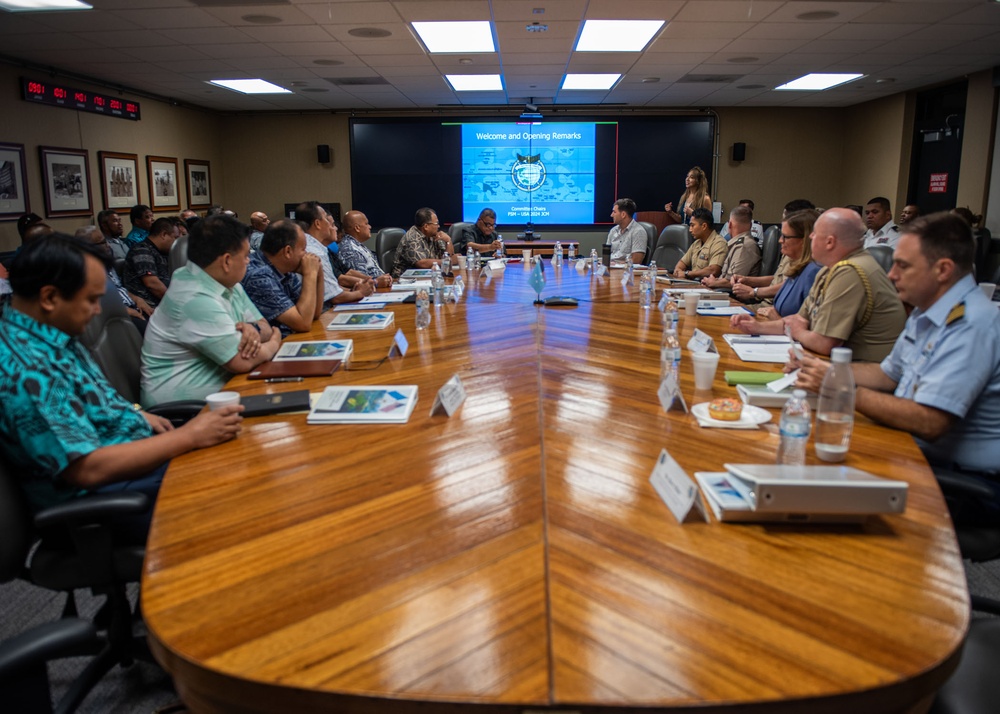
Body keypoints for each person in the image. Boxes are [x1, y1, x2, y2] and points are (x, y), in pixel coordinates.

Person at [0, 234, 242, 543]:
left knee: (237, 460)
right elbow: (86, 468)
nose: (97, 311)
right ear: (49, 297)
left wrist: (136, 414)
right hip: (101, 504)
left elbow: (89, 400)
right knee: (240, 498)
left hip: (129, 467)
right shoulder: (27, 369)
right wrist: (190, 435)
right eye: (90, 300)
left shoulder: (45, 333)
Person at [793, 212, 999, 485]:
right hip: (910, 450)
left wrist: (838, 385)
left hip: (954, 480)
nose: (891, 274)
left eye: (903, 265)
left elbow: (930, 422)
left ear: (943, 270)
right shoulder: (927, 311)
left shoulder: (971, 325)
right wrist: (824, 370)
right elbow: (887, 375)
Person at [730, 207, 906, 361]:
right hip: (834, 363)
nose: (810, 237)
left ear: (830, 241)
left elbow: (824, 342)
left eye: (815, 234)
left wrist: (796, 331)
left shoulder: (850, 271)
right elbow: (798, 320)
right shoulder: (828, 269)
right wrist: (757, 326)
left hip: (862, 372)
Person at [140, 215, 281, 406]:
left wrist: (253, 330)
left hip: (228, 393)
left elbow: (263, 325)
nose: (249, 261)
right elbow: (242, 361)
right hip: (185, 413)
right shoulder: (193, 297)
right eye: (246, 255)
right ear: (227, 261)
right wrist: (274, 342)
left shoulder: (227, 282)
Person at [241, 218, 323, 335]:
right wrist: (310, 274)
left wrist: (318, 273)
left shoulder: (285, 270)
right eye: (303, 249)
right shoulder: (259, 276)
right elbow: (303, 323)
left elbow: (313, 313)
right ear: (288, 251)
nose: (307, 254)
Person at [732, 208, 821, 315]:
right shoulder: (797, 263)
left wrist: (754, 292)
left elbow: (799, 322)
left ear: (804, 240)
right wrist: (747, 280)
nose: (780, 240)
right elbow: (779, 280)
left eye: (786, 237)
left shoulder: (812, 270)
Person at [294, 201, 375, 307]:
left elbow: (331, 289)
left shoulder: (317, 248)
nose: (335, 227)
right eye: (327, 220)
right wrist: (360, 292)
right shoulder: (315, 252)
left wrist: (353, 290)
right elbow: (334, 297)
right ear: (318, 224)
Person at [74, 225, 151, 333]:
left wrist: (138, 299)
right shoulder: (81, 271)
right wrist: (125, 311)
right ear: (87, 247)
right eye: (102, 242)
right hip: (115, 315)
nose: (108, 245)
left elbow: (119, 288)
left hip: (131, 306)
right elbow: (94, 303)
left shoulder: (106, 263)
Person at [122, 217, 178, 308]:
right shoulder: (141, 250)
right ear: (163, 234)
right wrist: (177, 304)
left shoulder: (163, 251)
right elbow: (152, 284)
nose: (176, 242)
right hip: (147, 306)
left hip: (163, 304)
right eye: (174, 238)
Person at [701, 205, 761, 289]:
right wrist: (715, 280)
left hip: (735, 297)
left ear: (729, 225)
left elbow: (732, 281)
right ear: (751, 225)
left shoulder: (744, 246)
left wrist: (712, 282)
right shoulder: (739, 244)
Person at [391, 207, 456, 280]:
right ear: (426, 226)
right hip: (403, 281)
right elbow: (422, 263)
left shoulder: (434, 235)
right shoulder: (411, 238)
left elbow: (447, 256)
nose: (438, 226)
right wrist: (447, 262)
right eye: (436, 223)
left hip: (427, 277)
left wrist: (448, 241)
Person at [336, 210, 393, 287]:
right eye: (366, 224)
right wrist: (377, 282)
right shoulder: (349, 249)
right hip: (373, 290)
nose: (370, 227)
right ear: (357, 228)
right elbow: (363, 281)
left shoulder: (357, 245)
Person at [672, 207, 726, 280]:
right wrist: (678, 270)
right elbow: (682, 262)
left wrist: (687, 274)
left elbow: (714, 270)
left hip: (707, 287)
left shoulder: (719, 243)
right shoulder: (697, 243)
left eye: (692, 225)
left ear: (704, 226)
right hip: (693, 284)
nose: (690, 230)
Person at [606, 198, 646, 264]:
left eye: (614, 212)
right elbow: (606, 255)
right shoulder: (613, 231)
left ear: (623, 215)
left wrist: (616, 264)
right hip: (611, 267)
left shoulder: (638, 232)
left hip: (625, 271)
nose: (611, 215)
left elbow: (636, 261)